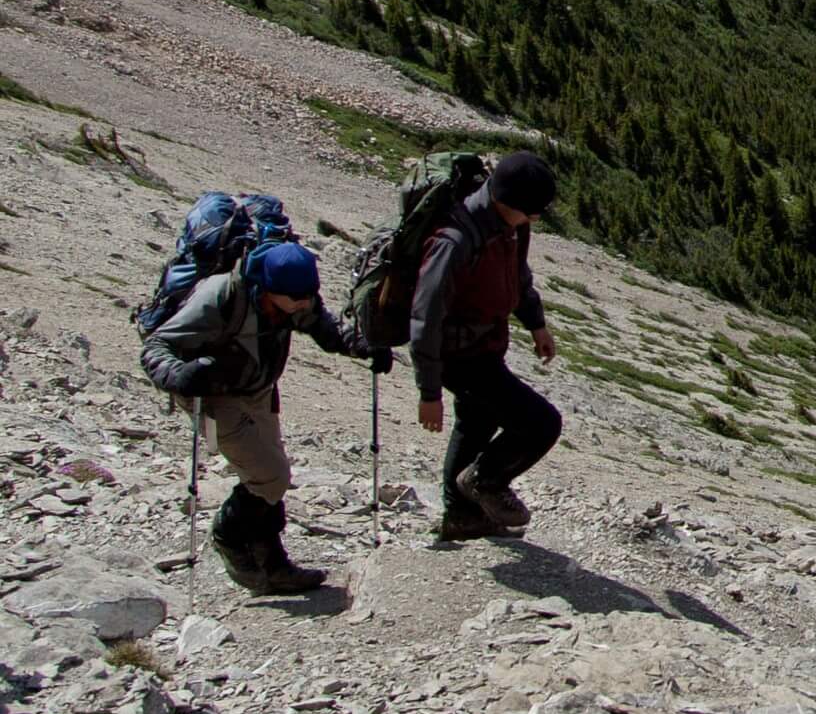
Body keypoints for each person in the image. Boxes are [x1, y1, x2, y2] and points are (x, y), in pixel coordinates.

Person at [140, 236, 364, 594]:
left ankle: (273, 565)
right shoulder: (221, 297)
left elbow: (322, 325)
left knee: (271, 477)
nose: (304, 304)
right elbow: (157, 346)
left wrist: (358, 345)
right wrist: (178, 376)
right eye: (296, 299)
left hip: (258, 391)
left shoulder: (292, 295)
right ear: (268, 287)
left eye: (308, 295)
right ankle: (228, 536)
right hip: (214, 395)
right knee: (270, 475)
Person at [411, 150, 563, 541]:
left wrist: (536, 324)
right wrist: (429, 392)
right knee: (541, 423)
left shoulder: (510, 224)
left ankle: (462, 517)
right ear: (507, 202)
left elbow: (519, 277)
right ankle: (485, 481)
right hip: (459, 356)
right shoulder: (454, 240)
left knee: (477, 421)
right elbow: (425, 318)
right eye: (532, 210)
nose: (536, 218)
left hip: (485, 344)